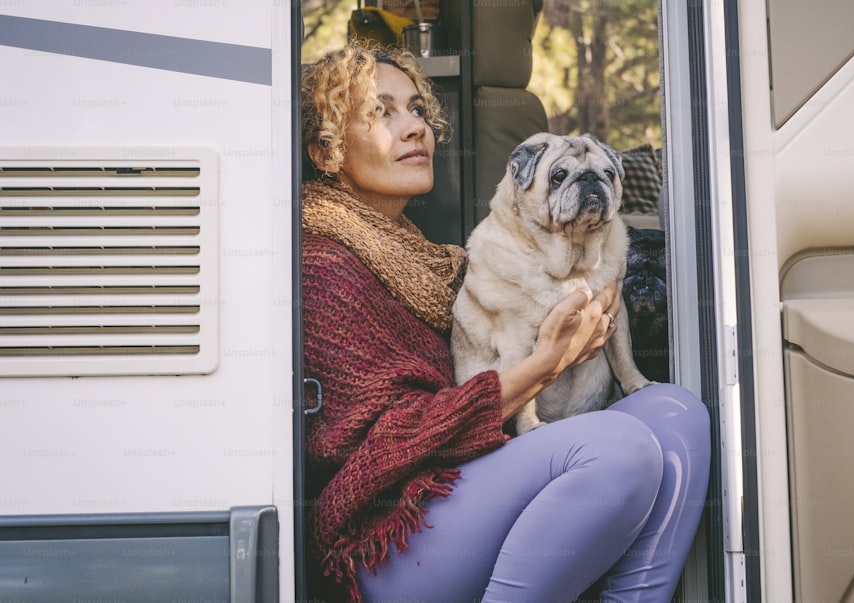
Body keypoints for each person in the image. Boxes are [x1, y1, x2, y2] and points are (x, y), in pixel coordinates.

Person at [300, 41, 711, 603]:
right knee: (621, 448)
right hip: (391, 530)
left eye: (418, 109)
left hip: (464, 477)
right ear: (325, 153)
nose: (414, 127)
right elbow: (392, 442)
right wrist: (547, 365)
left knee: (678, 414)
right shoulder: (327, 267)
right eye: (382, 112)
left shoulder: (419, 257)